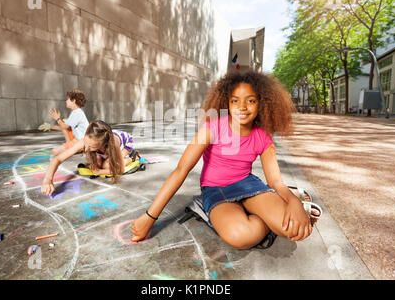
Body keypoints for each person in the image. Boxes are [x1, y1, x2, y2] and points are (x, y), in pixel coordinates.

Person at [131, 70, 320, 249]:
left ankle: (288, 198)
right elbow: (181, 170)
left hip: (248, 186)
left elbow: (276, 181)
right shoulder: (212, 128)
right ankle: (216, 210)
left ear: (261, 103)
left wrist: (293, 204)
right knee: (242, 237)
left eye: (251, 100)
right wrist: (149, 217)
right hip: (216, 191)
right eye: (235, 100)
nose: (242, 107)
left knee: (293, 229)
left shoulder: (263, 137)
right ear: (227, 102)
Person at [41, 120, 138, 195]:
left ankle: (132, 157)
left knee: (106, 165)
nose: (86, 149)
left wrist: (100, 172)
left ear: (103, 144)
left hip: (124, 143)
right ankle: (102, 156)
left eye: (91, 147)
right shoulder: (86, 142)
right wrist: (47, 180)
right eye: (86, 144)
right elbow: (57, 159)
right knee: (99, 163)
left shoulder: (113, 144)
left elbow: (120, 169)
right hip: (103, 146)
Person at [39, 89, 89, 156]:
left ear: (73, 100)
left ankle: (78, 148)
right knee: (64, 121)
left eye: (68, 99)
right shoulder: (76, 112)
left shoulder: (77, 113)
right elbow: (64, 127)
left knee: (55, 151)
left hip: (82, 142)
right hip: (79, 140)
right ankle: (70, 144)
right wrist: (50, 127)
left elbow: (64, 127)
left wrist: (57, 118)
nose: (66, 101)